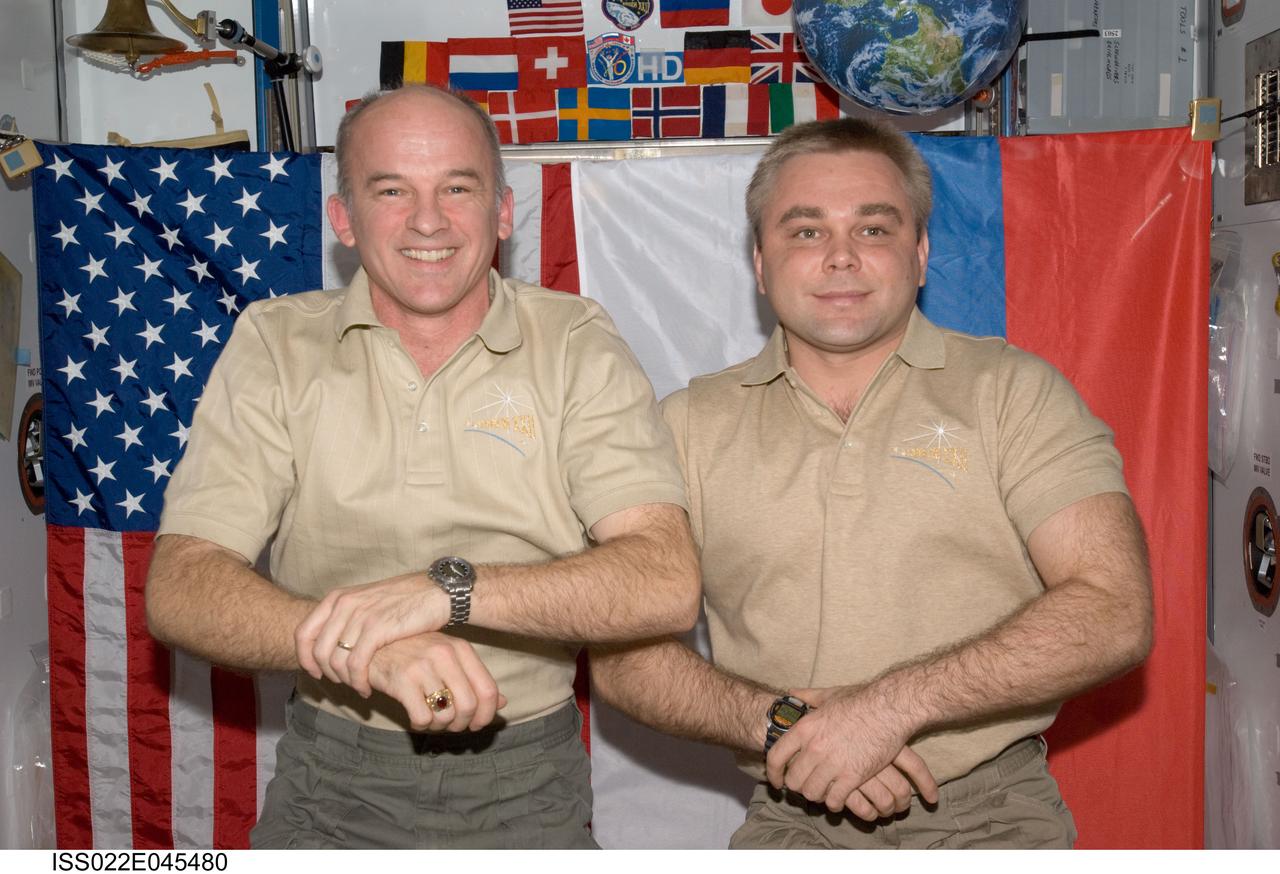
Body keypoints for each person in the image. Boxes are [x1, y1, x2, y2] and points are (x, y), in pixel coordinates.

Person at [145, 84, 700, 849]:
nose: (429, 220)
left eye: (458, 188)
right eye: (392, 190)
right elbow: (181, 585)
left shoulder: (574, 341)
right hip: (329, 782)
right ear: (343, 220)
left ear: (503, 212)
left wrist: (445, 593)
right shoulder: (276, 343)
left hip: (526, 785)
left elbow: (664, 580)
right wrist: (369, 641)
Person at [589, 118, 1153, 849]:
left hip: (991, 817)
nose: (842, 258)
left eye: (875, 230)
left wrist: (886, 709)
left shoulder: (1013, 392)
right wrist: (791, 728)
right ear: (759, 262)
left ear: (920, 255)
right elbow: (623, 656)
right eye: (806, 231)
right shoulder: (686, 426)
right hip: (796, 817)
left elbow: (1114, 607)